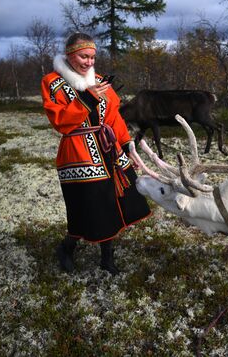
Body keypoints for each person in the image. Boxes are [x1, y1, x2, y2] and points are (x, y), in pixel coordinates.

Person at [41, 32, 151, 275]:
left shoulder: (100, 80)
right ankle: (67, 247)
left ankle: (106, 259)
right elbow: (60, 121)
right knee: (86, 207)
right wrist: (88, 98)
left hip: (108, 150)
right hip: (78, 153)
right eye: (84, 56)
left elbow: (114, 117)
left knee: (113, 203)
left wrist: (126, 145)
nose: (89, 62)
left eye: (92, 57)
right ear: (70, 56)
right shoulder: (52, 82)